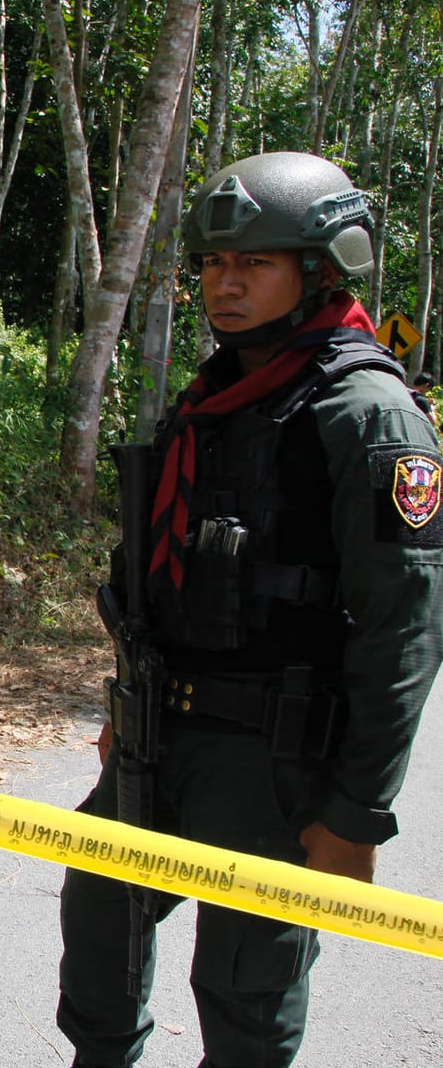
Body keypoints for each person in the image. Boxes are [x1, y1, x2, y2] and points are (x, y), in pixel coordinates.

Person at [56, 150, 443, 1067]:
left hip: (274, 761)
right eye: (212, 265)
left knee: (245, 993)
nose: (224, 285)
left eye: (253, 264)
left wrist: (355, 813)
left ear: (316, 270)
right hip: (164, 733)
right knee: (100, 917)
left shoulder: (368, 414)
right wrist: (123, 715)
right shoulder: (217, 394)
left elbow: (404, 631)